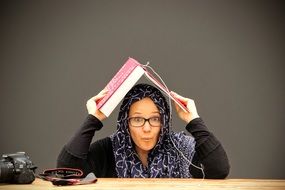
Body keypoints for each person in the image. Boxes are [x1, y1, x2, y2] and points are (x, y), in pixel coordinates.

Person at [57, 83, 230, 178]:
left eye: (155, 119)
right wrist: (93, 118)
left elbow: (219, 168)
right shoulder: (109, 149)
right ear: (126, 122)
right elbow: (66, 169)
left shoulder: (180, 148)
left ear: (164, 121)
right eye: (138, 119)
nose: (147, 128)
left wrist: (193, 120)